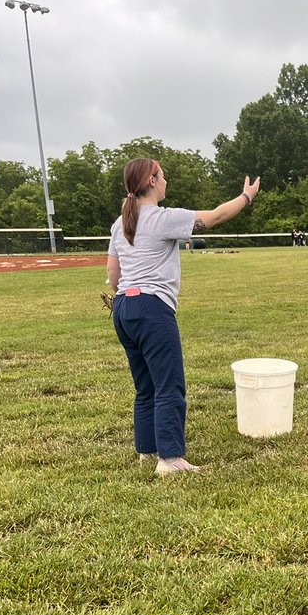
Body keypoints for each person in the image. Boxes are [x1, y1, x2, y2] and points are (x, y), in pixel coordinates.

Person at [106, 158, 260, 476]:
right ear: (151, 180)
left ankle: (147, 451)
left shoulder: (121, 222)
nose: (166, 181)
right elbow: (215, 217)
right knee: (169, 386)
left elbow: (112, 275)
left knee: (145, 387)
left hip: (123, 308)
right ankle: (171, 459)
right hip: (152, 310)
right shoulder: (163, 218)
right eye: (162, 176)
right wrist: (246, 197)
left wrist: (129, 300)